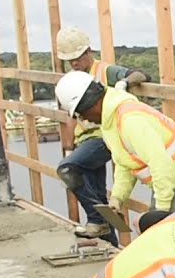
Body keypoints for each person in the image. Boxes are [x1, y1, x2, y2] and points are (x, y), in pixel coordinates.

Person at [54, 70, 175, 221]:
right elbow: (125, 162)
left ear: (90, 105)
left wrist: (160, 212)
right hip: (168, 176)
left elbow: (161, 163)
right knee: (163, 232)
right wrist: (117, 198)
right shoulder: (110, 122)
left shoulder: (130, 121)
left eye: (81, 115)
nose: (84, 120)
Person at [54, 26, 150, 247]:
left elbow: (140, 73)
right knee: (96, 194)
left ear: (88, 51)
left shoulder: (103, 71)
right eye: (70, 61)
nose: (75, 64)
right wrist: (69, 147)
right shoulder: (71, 80)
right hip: (85, 140)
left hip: (105, 137)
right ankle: (110, 245)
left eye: (77, 58)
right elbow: (70, 117)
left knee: (68, 168)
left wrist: (124, 82)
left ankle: (98, 221)